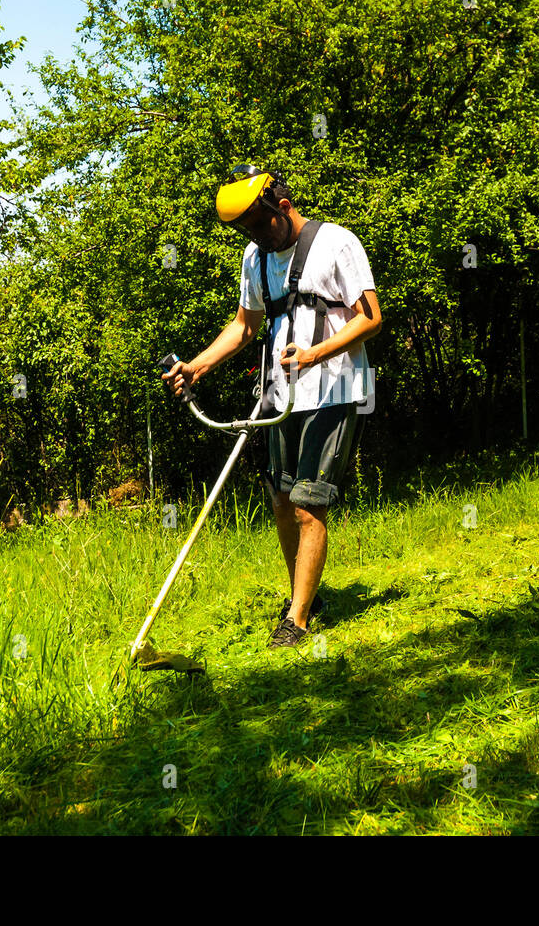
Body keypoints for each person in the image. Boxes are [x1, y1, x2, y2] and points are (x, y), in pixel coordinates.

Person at [162, 164, 381, 647]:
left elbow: (371, 318)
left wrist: (315, 354)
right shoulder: (255, 258)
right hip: (281, 395)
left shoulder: (337, 243)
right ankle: (307, 595)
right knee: (281, 501)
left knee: (308, 505)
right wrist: (196, 368)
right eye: (245, 232)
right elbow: (244, 326)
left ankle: (297, 620)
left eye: (259, 226)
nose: (256, 238)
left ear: (282, 207)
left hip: (334, 389)